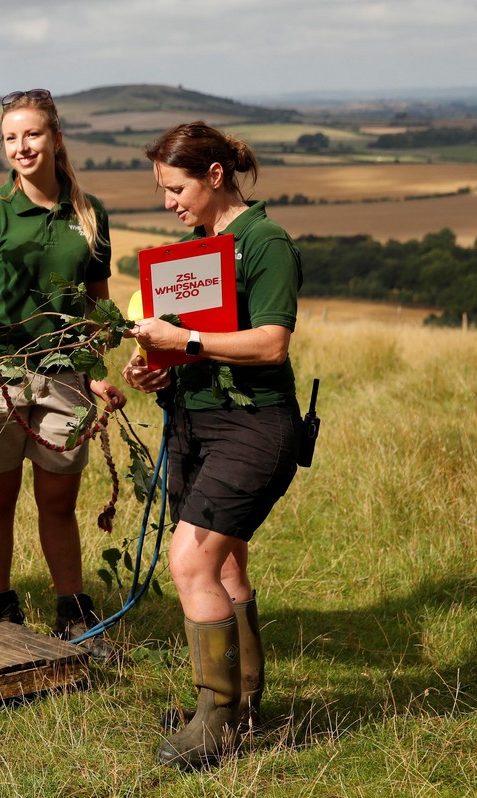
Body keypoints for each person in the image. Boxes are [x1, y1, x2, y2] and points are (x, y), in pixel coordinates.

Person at [121, 121, 303, 769]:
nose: (168, 201)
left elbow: (272, 342)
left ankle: (215, 723)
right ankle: (242, 705)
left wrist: (186, 344)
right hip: (193, 421)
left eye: (176, 188)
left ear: (215, 177)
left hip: (254, 425)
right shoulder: (192, 249)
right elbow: (177, 347)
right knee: (224, 567)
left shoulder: (265, 242)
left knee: (190, 564)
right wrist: (152, 367)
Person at [0, 89, 127, 660]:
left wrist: (96, 371)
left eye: (32, 134)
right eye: (11, 137)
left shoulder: (90, 212)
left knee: (58, 498)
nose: (22, 146)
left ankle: (72, 611)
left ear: (55, 137)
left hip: (65, 376)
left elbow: (98, 303)